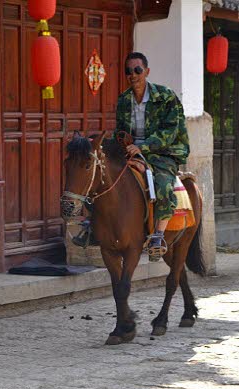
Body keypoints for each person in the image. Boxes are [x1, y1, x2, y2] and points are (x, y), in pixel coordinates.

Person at [75, 52, 190, 261]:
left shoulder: (166, 97)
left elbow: (170, 131)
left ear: (147, 71)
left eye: (137, 70)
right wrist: (120, 138)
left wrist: (143, 147)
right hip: (130, 151)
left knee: (163, 184)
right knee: (98, 172)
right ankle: (92, 227)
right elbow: (120, 130)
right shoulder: (124, 99)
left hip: (162, 152)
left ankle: (158, 235)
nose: (133, 75)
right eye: (129, 71)